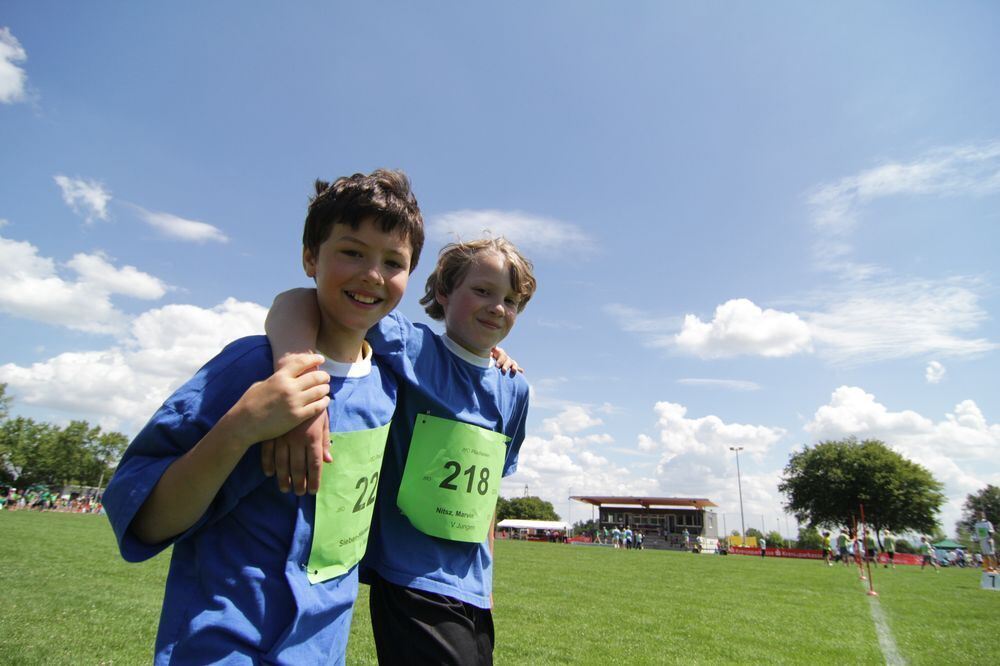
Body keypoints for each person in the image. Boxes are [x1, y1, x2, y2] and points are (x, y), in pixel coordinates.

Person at [103, 170, 424, 664]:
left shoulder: (389, 383)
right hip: (223, 643)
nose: (372, 275)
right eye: (352, 252)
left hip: (322, 646)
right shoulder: (249, 367)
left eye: (393, 262)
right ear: (310, 257)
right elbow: (145, 520)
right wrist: (241, 426)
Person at [266, 235, 536, 665]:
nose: (496, 307)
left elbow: (487, 498)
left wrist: (487, 584)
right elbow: (301, 301)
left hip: (472, 589)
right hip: (411, 578)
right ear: (444, 293)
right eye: (482, 291)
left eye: (510, 300)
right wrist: (294, 379)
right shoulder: (411, 347)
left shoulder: (515, 389)